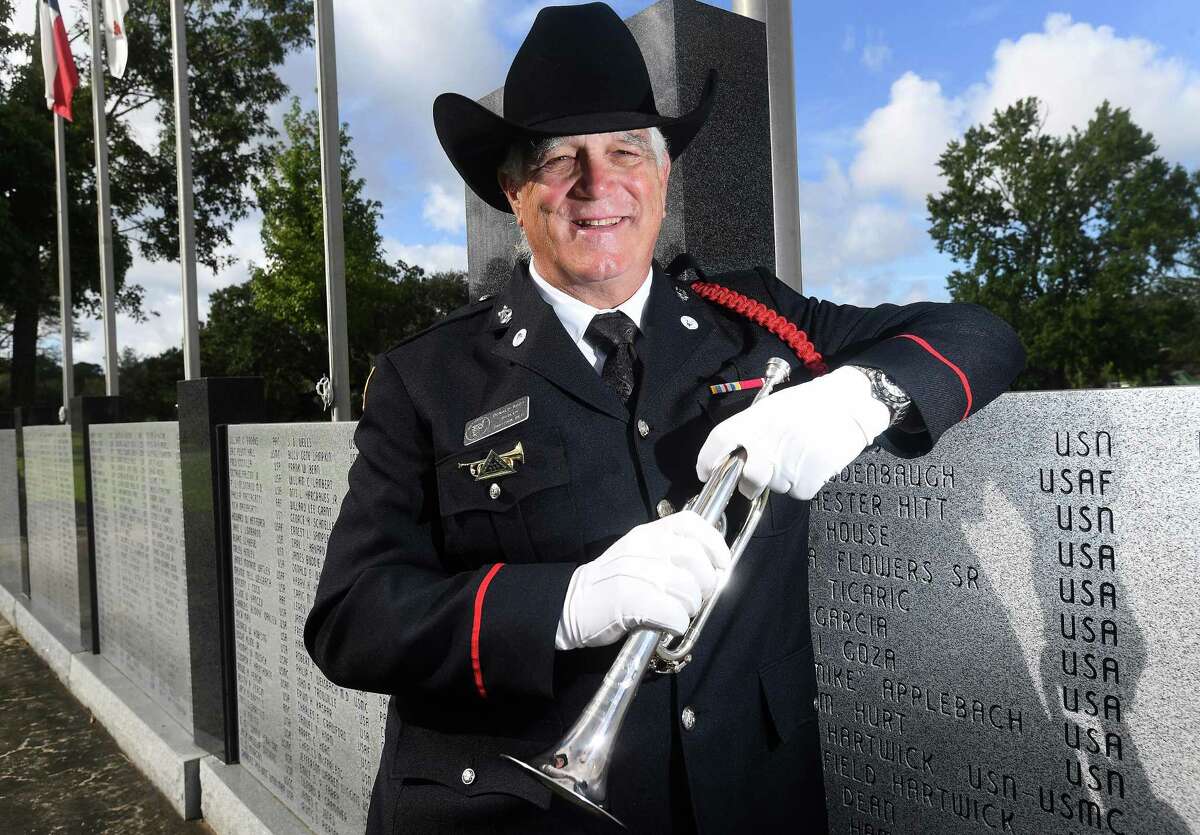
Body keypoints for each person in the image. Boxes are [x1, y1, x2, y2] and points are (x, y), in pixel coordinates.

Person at [304, 4, 1024, 833]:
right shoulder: (424, 378)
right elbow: (352, 617)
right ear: (513, 188)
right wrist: (564, 604)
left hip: (751, 801)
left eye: (624, 152)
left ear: (663, 173)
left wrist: (864, 395)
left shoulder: (757, 322)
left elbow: (981, 334)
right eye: (558, 159)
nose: (596, 184)